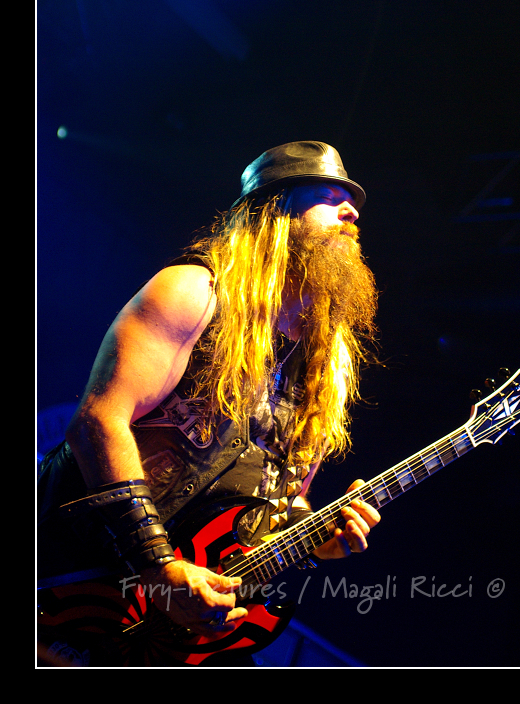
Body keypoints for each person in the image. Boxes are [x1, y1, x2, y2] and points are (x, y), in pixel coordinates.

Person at [37, 140, 381, 664]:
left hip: (172, 629)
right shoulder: (194, 292)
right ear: (274, 211)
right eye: (329, 197)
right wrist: (159, 566)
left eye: (352, 202)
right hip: (71, 583)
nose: (351, 211)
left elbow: (281, 498)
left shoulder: (326, 359)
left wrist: (316, 535)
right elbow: (98, 423)